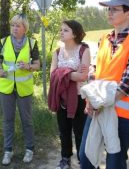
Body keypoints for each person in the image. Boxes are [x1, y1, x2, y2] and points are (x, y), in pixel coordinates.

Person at [79, 0, 129, 169]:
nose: (109, 12)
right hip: (97, 108)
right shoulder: (104, 39)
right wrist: (90, 99)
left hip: (123, 115)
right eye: (109, 9)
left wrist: (99, 102)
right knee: (85, 157)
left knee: (115, 163)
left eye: (115, 9)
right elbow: (93, 71)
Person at [0, 14, 40, 165]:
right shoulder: (3, 41)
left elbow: (37, 65)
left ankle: (29, 149)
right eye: (13, 25)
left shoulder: (32, 43)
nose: (14, 28)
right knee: (7, 120)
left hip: (24, 89)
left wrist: (28, 66)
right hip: (6, 88)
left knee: (26, 120)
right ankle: (8, 151)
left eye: (18, 25)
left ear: (25, 28)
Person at [48, 20, 90, 169]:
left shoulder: (83, 50)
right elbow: (52, 75)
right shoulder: (57, 52)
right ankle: (65, 159)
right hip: (61, 97)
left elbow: (83, 77)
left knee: (80, 132)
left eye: (65, 30)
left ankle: (82, 160)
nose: (61, 32)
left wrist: (63, 73)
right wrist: (73, 73)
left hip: (79, 97)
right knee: (64, 131)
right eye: (61, 30)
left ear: (75, 33)